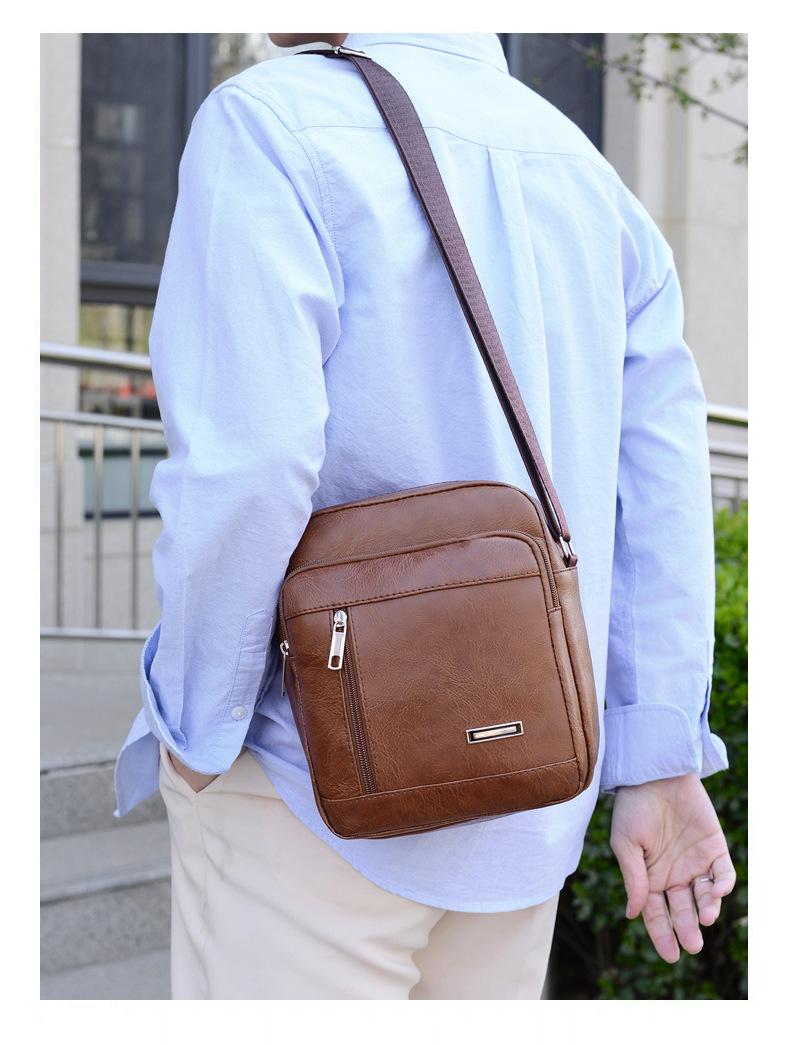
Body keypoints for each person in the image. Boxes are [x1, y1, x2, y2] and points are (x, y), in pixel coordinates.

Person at [114, 32, 736, 1000]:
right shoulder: (590, 178)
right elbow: (660, 487)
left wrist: (195, 722)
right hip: (529, 796)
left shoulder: (269, 120)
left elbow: (250, 464)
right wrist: (656, 760)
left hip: (309, 787)